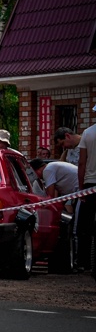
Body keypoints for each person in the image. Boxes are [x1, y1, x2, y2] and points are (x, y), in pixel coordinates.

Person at [76, 106, 96, 274]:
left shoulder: (88, 133)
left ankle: (84, 262)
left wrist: (81, 187)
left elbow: (82, 162)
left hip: (90, 185)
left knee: (85, 226)